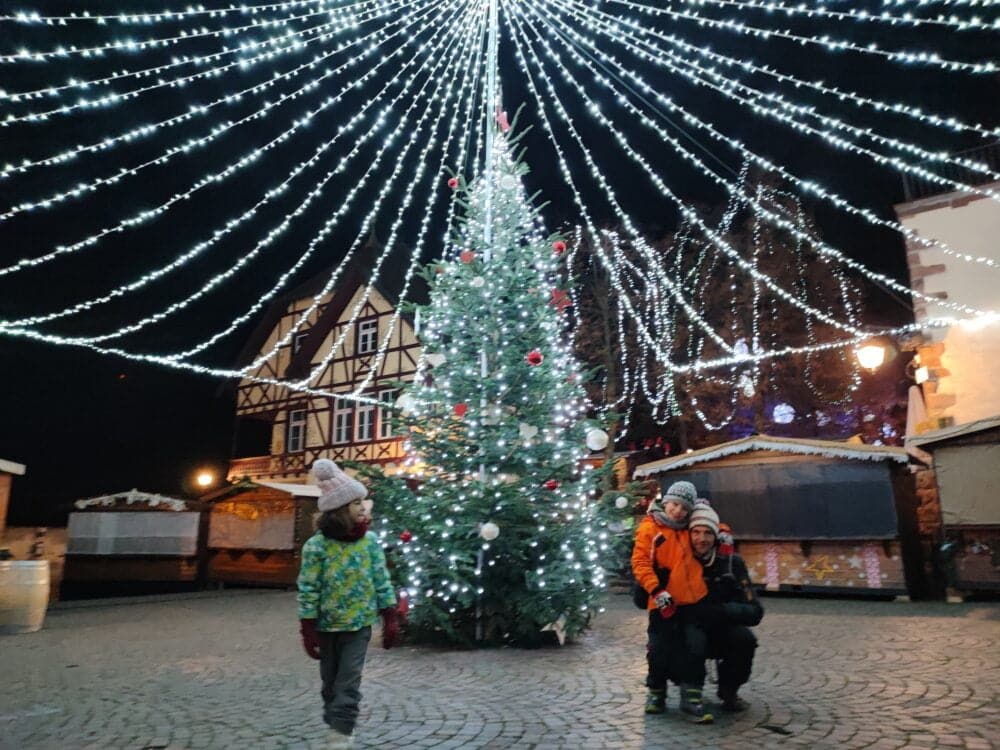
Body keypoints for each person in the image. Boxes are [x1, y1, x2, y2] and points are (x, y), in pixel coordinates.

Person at [297, 459, 400, 750]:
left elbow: (381, 578)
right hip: (327, 626)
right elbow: (308, 587)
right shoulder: (316, 546)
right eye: (356, 503)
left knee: (347, 684)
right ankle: (337, 726)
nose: (362, 508)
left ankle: (340, 735)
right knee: (330, 685)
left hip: (358, 626)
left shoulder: (370, 542)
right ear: (341, 508)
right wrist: (307, 626)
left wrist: (389, 614)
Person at [632, 480, 714, 723]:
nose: (678, 511)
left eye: (684, 508)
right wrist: (656, 590)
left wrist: (724, 533)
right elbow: (640, 562)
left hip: (692, 599)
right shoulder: (650, 529)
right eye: (675, 505)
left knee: (696, 646)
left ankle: (692, 697)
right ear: (666, 502)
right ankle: (656, 693)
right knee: (658, 648)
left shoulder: (688, 527)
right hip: (662, 601)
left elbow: (710, 524)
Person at [688, 502, 763, 712]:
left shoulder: (732, 564)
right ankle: (688, 692)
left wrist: (724, 611)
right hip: (690, 627)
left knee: (745, 640)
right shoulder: (681, 560)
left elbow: (755, 611)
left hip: (723, 626)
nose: (701, 539)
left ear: (715, 536)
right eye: (695, 532)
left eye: (707, 533)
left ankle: (729, 691)